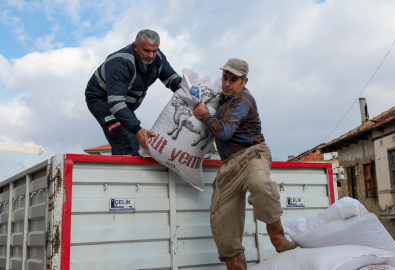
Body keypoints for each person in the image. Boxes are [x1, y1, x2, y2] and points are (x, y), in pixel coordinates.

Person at [193, 59, 297, 269]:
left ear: (244, 81)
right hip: (228, 165)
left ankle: (277, 236)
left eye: (233, 79)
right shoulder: (220, 99)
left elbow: (224, 131)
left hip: (252, 155)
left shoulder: (243, 99)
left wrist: (204, 115)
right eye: (225, 78)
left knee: (261, 185)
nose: (227, 83)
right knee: (221, 219)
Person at [85, 29, 182, 156]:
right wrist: (137, 128)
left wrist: (184, 87)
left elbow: (171, 78)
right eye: (146, 51)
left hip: (124, 105)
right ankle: (123, 174)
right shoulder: (120, 63)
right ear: (135, 46)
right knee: (125, 140)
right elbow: (116, 103)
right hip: (103, 102)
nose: (151, 55)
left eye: (154, 51)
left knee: (137, 145)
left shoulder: (157, 58)